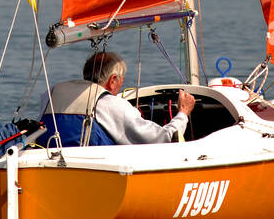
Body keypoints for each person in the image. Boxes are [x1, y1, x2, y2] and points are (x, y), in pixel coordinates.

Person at [37, 51, 193, 147]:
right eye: (121, 81)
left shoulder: (52, 93)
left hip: (50, 164)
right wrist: (183, 113)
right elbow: (164, 140)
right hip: (94, 174)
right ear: (112, 80)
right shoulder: (113, 105)